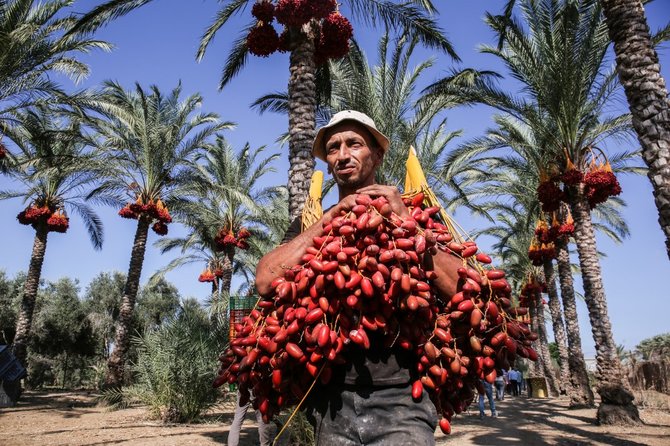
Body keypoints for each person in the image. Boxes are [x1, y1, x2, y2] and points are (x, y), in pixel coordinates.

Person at [255, 110, 462, 445]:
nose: (342, 154)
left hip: (402, 400)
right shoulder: (310, 224)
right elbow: (265, 280)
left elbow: (462, 290)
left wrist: (406, 219)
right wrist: (330, 219)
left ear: (377, 155)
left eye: (354, 143)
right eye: (334, 147)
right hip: (329, 401)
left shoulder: (417, 218)